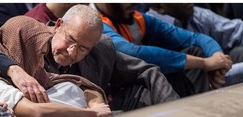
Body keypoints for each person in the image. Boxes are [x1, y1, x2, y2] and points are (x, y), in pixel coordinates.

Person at [24, 3, 179, 111]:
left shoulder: (101, 47)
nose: (72, 52)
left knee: (145, 93)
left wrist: (176, 111)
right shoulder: (29, 41)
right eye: (70, 40)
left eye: (83, 48)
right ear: (58, 26)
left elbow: (147, 71)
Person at [92, 3, 233, 97]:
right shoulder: (93, 23)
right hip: (115, 96)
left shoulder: (136, 17)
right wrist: (203, 63)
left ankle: (204, 106)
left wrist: (218, 58)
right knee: (191, 60)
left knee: (193, 52)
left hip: (145, 82)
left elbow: (195, 38)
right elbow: (134, 53)